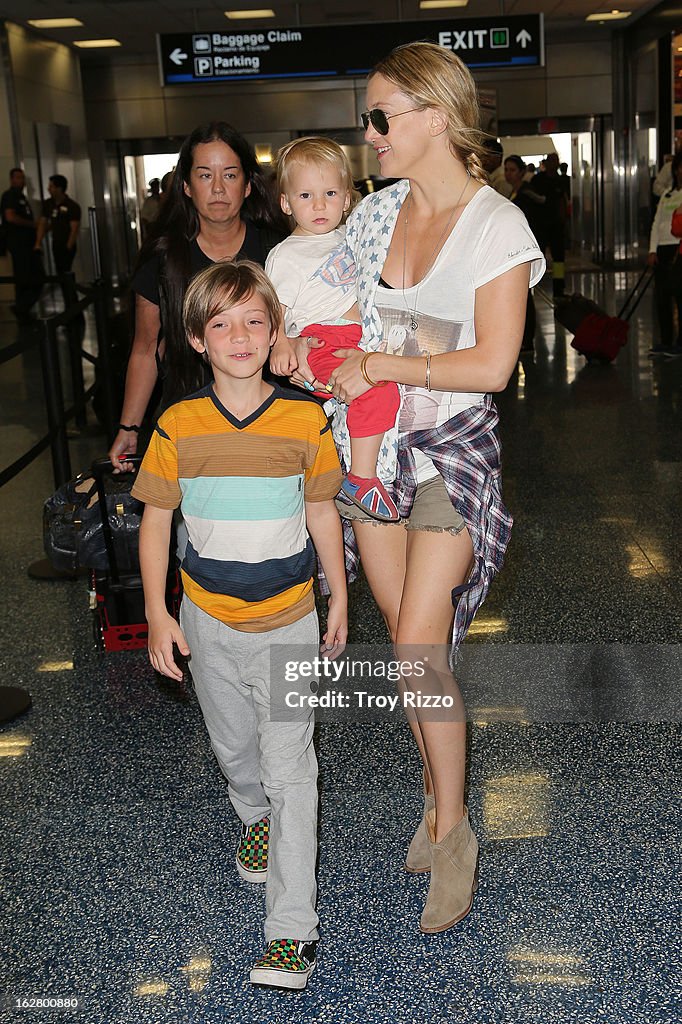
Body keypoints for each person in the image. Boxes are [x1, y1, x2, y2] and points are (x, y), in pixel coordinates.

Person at [272, 41, 544, 935]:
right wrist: (296, 346)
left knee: (422, 646)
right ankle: (435, 795)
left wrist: (379, 359)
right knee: (407, 650)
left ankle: (457, 830)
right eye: (370, 117)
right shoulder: (374, 215)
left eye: (383, 116)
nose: (370, 133)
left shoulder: (496, 225)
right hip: (369, 454)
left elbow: (493, 365)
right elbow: (331, 310)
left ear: (434, 116)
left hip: (451, 455)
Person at [132, 260, 347, 990]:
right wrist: (157, 614)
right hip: (208, 623)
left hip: (290, 622)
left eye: (256, 320)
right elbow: (157, 520)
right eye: (220, 323)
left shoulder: (304, 418)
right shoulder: (179, 425)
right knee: (234, 751)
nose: (240, 335)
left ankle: (293, 932)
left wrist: (338, 596)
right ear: (195, 338)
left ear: (276, 330)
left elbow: (321, 511)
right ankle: (250, 815)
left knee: (294, 771)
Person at [108, 122, 286, 471]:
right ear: (186, 186)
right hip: (189, 419)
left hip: (272, 417)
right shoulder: (164, 259)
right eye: (205, 176)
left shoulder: (281, 252)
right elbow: (146, 349)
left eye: (230, 175)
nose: (218, 188)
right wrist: (129, 427)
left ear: (248, 185)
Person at [266, 136, 401, 521]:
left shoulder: (351, 236)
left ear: (347, 198)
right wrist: (282, 344)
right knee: (378, 391)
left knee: (386, 393)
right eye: (306, 196)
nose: (320, 205)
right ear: (286, 203)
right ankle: (361, 476)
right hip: (323, 340)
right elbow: (276, 309)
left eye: (329, 193)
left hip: (360, 338)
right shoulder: (286, 255)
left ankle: (370, 469)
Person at [504, 155, 547, 351]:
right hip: (518, 249)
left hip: (526, 250)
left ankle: (527, 339)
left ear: (522, 171)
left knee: (525, 296)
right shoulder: (514, 192)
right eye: (506, 169)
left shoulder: (527, 193)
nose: (508, 174)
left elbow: (534, 223)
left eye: (512, 170)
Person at [647, 151, 682, 357]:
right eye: (678, 167)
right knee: (662, 297)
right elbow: (656, 223)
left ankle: (680, 342)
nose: (680, 171)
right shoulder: (667, 194)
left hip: (678, 249)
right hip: (662, 250)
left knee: (679, 296)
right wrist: (652, 250)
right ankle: (666, 341)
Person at [0, 167, 43, 324]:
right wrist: (32, 225)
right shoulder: (9, 196)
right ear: (12, 179)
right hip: (19, 244)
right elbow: (10, 217)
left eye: (22, 178)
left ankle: (22, 308)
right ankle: (21, 308)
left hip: (28, 243)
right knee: (26, 277)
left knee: (33, 276)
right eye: (18, 178)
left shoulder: (21, 197)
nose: (21, 181)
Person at [531, 152, 568, 296]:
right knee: (537, 255)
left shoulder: (560, 180)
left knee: (559, 258)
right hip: (540, 225)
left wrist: (564, 220)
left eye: (557, 160)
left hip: (556, 225)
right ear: (547, 163)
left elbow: (562, 201)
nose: (555, 163)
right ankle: (534, 286)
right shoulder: (538, 179)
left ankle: (559, 288)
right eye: (552, 160)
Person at [34, 174, 81, 274]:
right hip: (56, 242)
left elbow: (74, 229)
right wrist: (38, 243)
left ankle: (69, 289)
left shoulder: (72, 206)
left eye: (51, 186)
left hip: (67, 242)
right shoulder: (48, 204)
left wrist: (68, 247)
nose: (48, 189)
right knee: (59, 270)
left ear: (59, 189)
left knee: (66, 270)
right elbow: (43, 223)